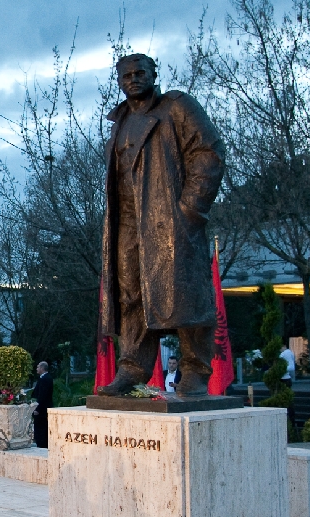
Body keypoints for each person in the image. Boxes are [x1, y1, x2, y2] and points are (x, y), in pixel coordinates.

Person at [96, 54, 225, 397]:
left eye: (141, 73)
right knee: (130, 292)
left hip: (169, 216)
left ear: (155, 74)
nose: (134, 79)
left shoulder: (177, 106)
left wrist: (190, 208)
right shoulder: (120, 121)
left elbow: (208, 152)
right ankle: (133, 367)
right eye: (126, 75)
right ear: (119, 81)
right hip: (126, 219)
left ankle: (195, 370)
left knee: (183, 291)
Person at [30, 362, 54, 449]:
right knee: (40, 427)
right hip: (43, 408)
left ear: (42, 368)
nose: (36, 369)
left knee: (41, 428)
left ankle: (42, 445)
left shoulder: (45, 379)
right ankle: (41, 443)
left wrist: (37, 409)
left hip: (42, 409)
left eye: (37, 367)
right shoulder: (44, 378)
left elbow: (42, 396)